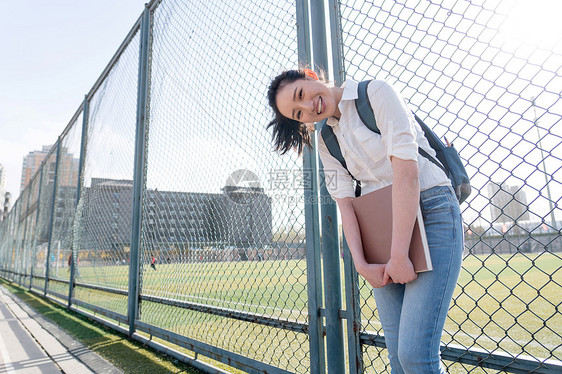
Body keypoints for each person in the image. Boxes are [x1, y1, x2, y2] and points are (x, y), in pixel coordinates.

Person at [267, 68, 463, 373]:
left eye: (301, 95)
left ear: (310, 75)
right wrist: (360, 264)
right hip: (382, 229)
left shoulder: (376, 93)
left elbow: (407, 175)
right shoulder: (325, 141)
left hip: (431, 209)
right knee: (398, 358)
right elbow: (346, 207)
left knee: (415, 354)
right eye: (297, 113)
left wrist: (399, 255)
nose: (308, 108)